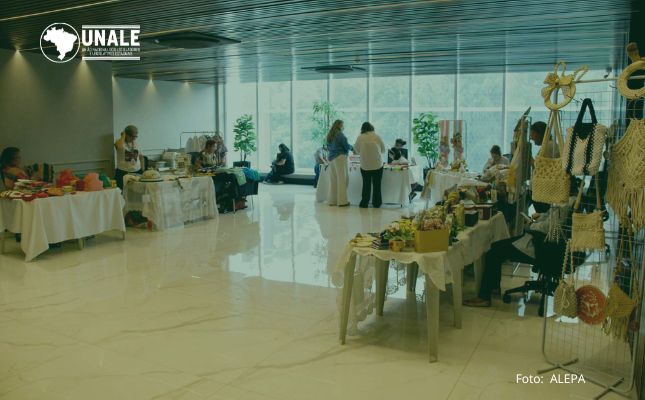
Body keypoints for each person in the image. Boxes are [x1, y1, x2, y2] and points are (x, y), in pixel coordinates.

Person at [463, 178, 577, 307]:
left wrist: (530, 225)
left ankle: (484, 297)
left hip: (541, 247)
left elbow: (548, 228)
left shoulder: (564, 205)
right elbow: (550, 220)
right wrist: (539, 217)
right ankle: (493, 287)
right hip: (541, 242)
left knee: (494, 251)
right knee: (496, 246)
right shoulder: (566, 202)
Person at [353, 122, 385, 208]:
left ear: (362, 129)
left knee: (366, 184)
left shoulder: (360, 137)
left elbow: (356, 150)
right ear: (371, 127)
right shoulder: (377, 136)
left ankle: (364, 203)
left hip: (365, 165)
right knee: (377, 185)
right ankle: (377, 203)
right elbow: (383, 150)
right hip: (377, 165)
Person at [326, 119, 351, 207]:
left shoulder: (330, 135)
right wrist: (352, 148)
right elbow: (346, 146)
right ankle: (342, 201)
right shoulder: (340, 134)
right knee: (342, 179)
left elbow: (328, 147)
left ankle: (332, 201)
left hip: (331, 158)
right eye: (342, 125)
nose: (343, 127)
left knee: (333, 180)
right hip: (340, 157)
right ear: (339, 125)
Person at [114, 125, 143, 189]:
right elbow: (119, 147)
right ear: (126, 135)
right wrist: (123, 135)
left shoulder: (136, 143)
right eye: (132, 136)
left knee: (137, 191)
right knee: (122, 191)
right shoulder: (119, 142)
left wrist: (143, 170)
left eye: (135, 136)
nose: (134, 138)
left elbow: (141, 157)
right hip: (123, 172)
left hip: (137, 171)